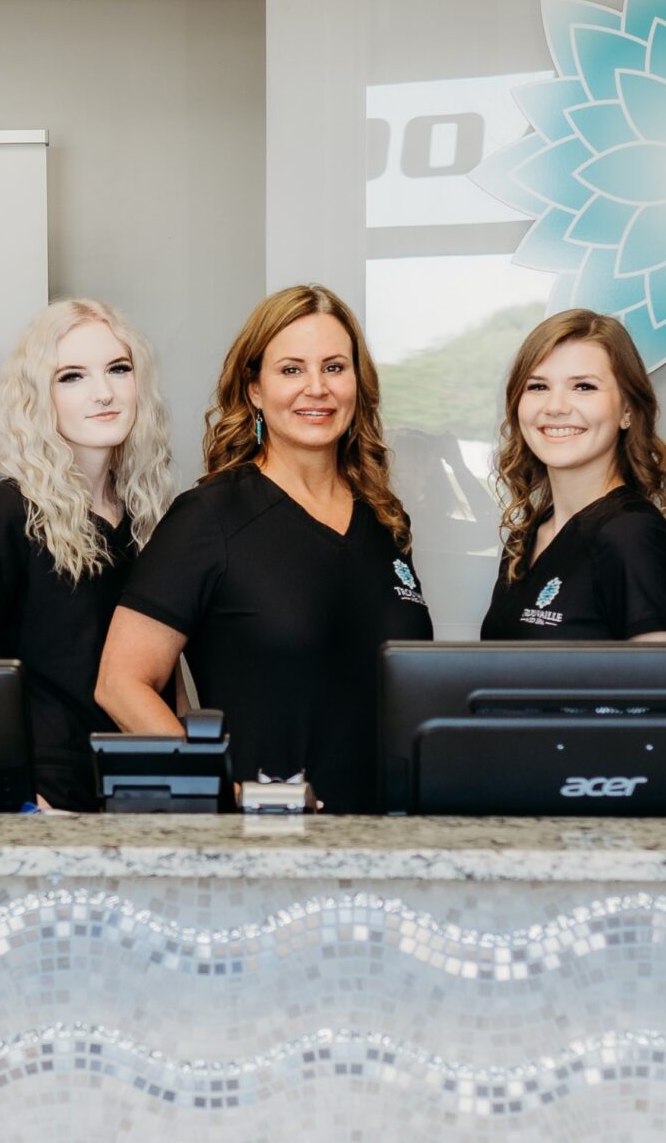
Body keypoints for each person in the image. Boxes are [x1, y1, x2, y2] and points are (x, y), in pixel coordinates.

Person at [96, 284, 433, 813]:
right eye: (292, 369)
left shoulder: (386, 519)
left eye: (334, 368)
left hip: (390, 834)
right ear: (254, 389)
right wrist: (221, 793)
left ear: (357, 384)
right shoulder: (210, 516)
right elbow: (120, 682)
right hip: (270, 845)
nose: (316, 388)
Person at [0, 298, 173, 809]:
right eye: (72, 376)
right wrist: (14, 799)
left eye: (119, 369)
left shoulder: (149, 517)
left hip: (142, 798)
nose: (104, 392)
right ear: (38, 397)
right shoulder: (7, 509)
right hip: (45, 805)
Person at [480, 309, 666, 641]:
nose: (555, 406)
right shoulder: (527, 537)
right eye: (538, 386)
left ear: (627, 410)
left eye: (583, 386)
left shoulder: (633, 534)